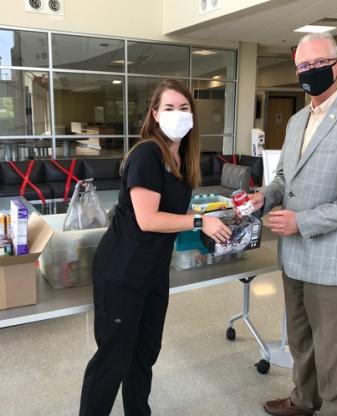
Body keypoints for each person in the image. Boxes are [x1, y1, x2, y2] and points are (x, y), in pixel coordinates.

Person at [79, 79, 231, 416]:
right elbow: (148, 219)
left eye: (184, 108)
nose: (178, 114)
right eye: (169, 108)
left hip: (152, 273)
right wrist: (198, 222)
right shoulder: (148, 153)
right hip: (122, 272)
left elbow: (175, 210)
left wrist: (213, 217)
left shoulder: (181, 158)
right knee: (113, 360)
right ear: (154, 114)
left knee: (144, 355)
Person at [251, 33, 337, 416]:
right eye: (302, 66)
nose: (309, 72)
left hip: (334, 259)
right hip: (294, 256)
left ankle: (330, 410)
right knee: (300, 339)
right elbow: (283, 180)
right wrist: (265, 196)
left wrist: (302, 221)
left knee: (333, 349)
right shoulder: (296, 122)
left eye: (317, 64)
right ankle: (302, 400)